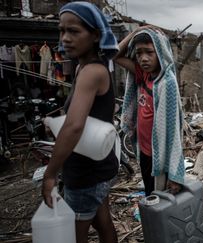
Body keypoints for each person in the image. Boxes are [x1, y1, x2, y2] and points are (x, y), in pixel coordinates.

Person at [42, 2, 119, 242]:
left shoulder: (91, 72)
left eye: (74, 31)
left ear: (96, 35)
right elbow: (83, 117)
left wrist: (50, 174)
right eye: (61, 30)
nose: (65, 38)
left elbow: (75, 126)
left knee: (76, 233)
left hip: (86, 171)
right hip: (100, 165)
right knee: (102, 220)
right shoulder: (84, 67)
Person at [114, 26, 184, 196]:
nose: (143, 58)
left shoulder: (167, 83)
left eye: (149, 52)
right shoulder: (144, 74)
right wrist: (135, 32)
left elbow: (173, 132)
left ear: (160, 52)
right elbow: (114, 55)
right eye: (139, 53)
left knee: (162, 199)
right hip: (145, 151)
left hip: (160, 156)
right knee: (150, 194)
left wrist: (174, 173)